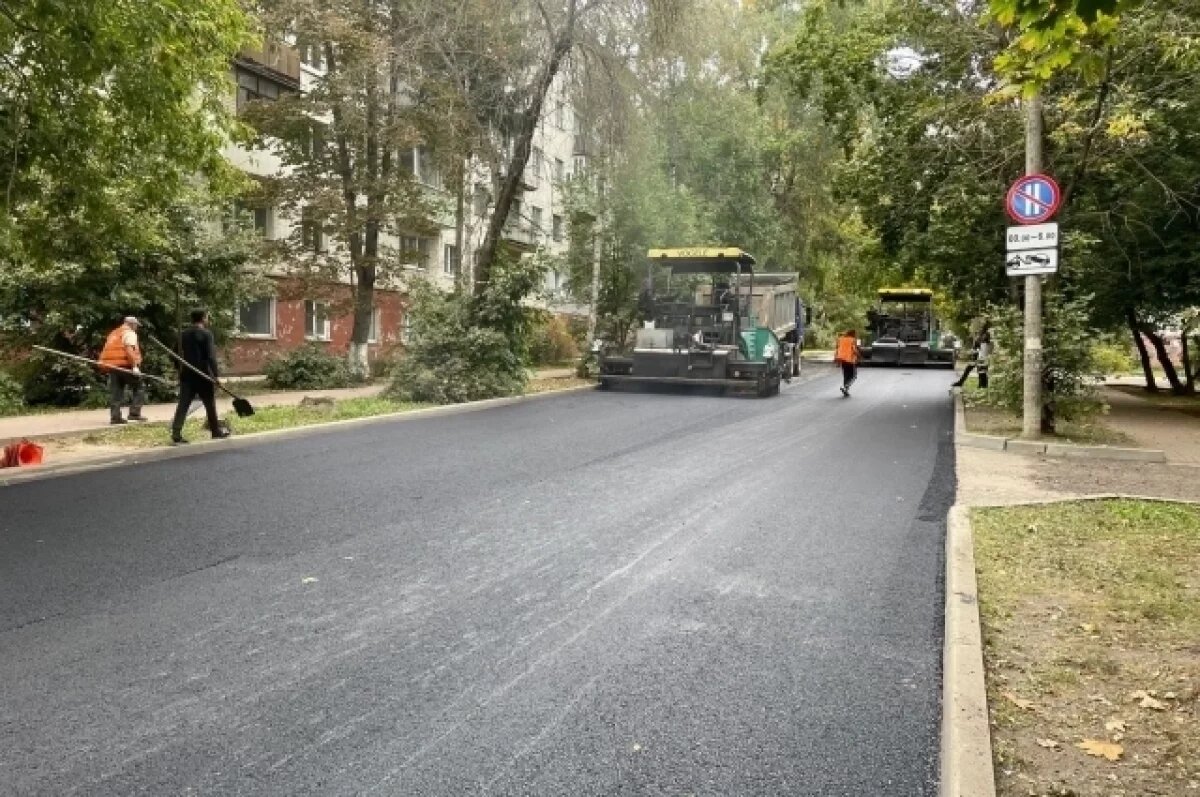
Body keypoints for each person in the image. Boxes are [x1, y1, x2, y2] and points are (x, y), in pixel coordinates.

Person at [170, 309, 230, 444]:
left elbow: (173, 354)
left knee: (183, 404)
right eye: (207, 317)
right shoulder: (206, 334)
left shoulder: (182, 334)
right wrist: (215, 376)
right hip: (203, 374)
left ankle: (176, 433)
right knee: (210, 404)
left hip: (187, 375)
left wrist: (179, 368)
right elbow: (210, 357)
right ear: (203, 318)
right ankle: (215, 431)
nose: (207, 319)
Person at [98, 316, 147, 425]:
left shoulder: (114, 333)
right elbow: (129, 350)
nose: (136, 328)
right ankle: (134, 413)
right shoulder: (129, 333)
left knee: (116, 392)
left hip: (113, 366)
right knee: (139, 387)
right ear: (132, 324)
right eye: (136, 325)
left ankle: (115, 417)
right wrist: (134, 366)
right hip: (126, 365)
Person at [834, 328, 861, 397]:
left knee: (846, 375)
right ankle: (845, 386)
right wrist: (859, 356)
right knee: (853, 376)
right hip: (850, 359)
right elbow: (854, 350)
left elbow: (837, 349)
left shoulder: (841, 339)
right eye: (855, 334)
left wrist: (835, 358)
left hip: (842, 359)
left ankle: (845, 389)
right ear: (853, 334)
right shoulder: (852, 340)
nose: (856, 335)